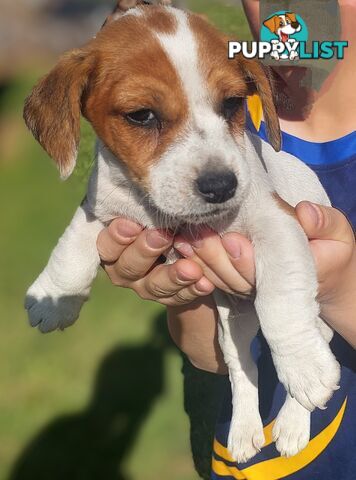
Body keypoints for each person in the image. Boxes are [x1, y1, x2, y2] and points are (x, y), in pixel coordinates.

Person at [97, 0, 356, 478]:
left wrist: (340, 293)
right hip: (240, 447)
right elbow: (202, 349)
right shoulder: (212, 89)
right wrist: (184, 284)